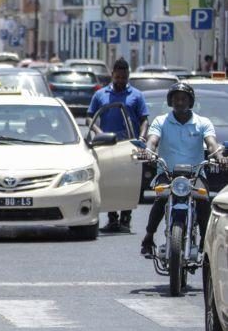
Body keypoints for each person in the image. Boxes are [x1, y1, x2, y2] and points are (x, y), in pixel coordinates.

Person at [139, 82, 226, 257]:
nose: (179, 102)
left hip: (195, 175)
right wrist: (148, 151)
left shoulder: (203, 122)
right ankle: (148, 238)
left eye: (184, 99)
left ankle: (205, 240)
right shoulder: (161, 121)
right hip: (167, 173)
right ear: (170, 101)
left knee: (203, 201)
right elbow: (152, 140)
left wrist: (219, 156)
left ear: (190, 102)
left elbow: (211, 143)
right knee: (161, 198)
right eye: (176, 99)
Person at [87, 58, 149, 233]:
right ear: (112, 75)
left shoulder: (137, 95)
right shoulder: (100, 94)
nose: (121, 80)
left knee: (129, 182)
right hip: (107, 144)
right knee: (109, 181)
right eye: (118, 77)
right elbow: (89, 117)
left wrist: (142, 138)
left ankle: (126, 220)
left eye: (124, 77)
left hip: (130, 145)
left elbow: (144, 119)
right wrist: (98, 132)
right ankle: (112, 219)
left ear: (128, 76)